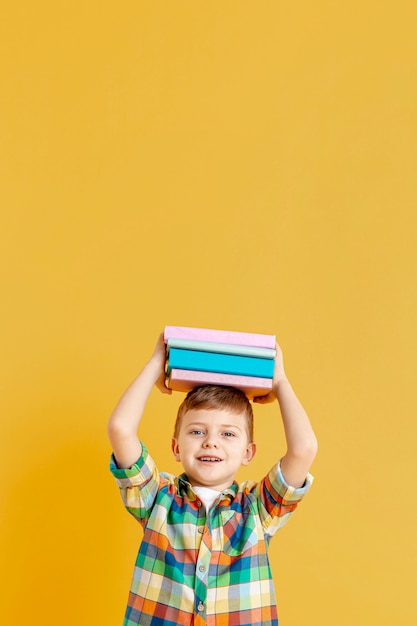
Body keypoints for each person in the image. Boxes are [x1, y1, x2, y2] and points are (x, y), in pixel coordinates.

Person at [108, 332, 318, 626]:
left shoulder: (257, 509)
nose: (211, 443)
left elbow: (304, 448)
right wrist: (156, 365)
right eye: (197, 431)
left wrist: (281, 383)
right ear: (176, 448)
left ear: (248, 452)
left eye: (228, 433)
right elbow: (120, 428)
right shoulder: (157, 497)